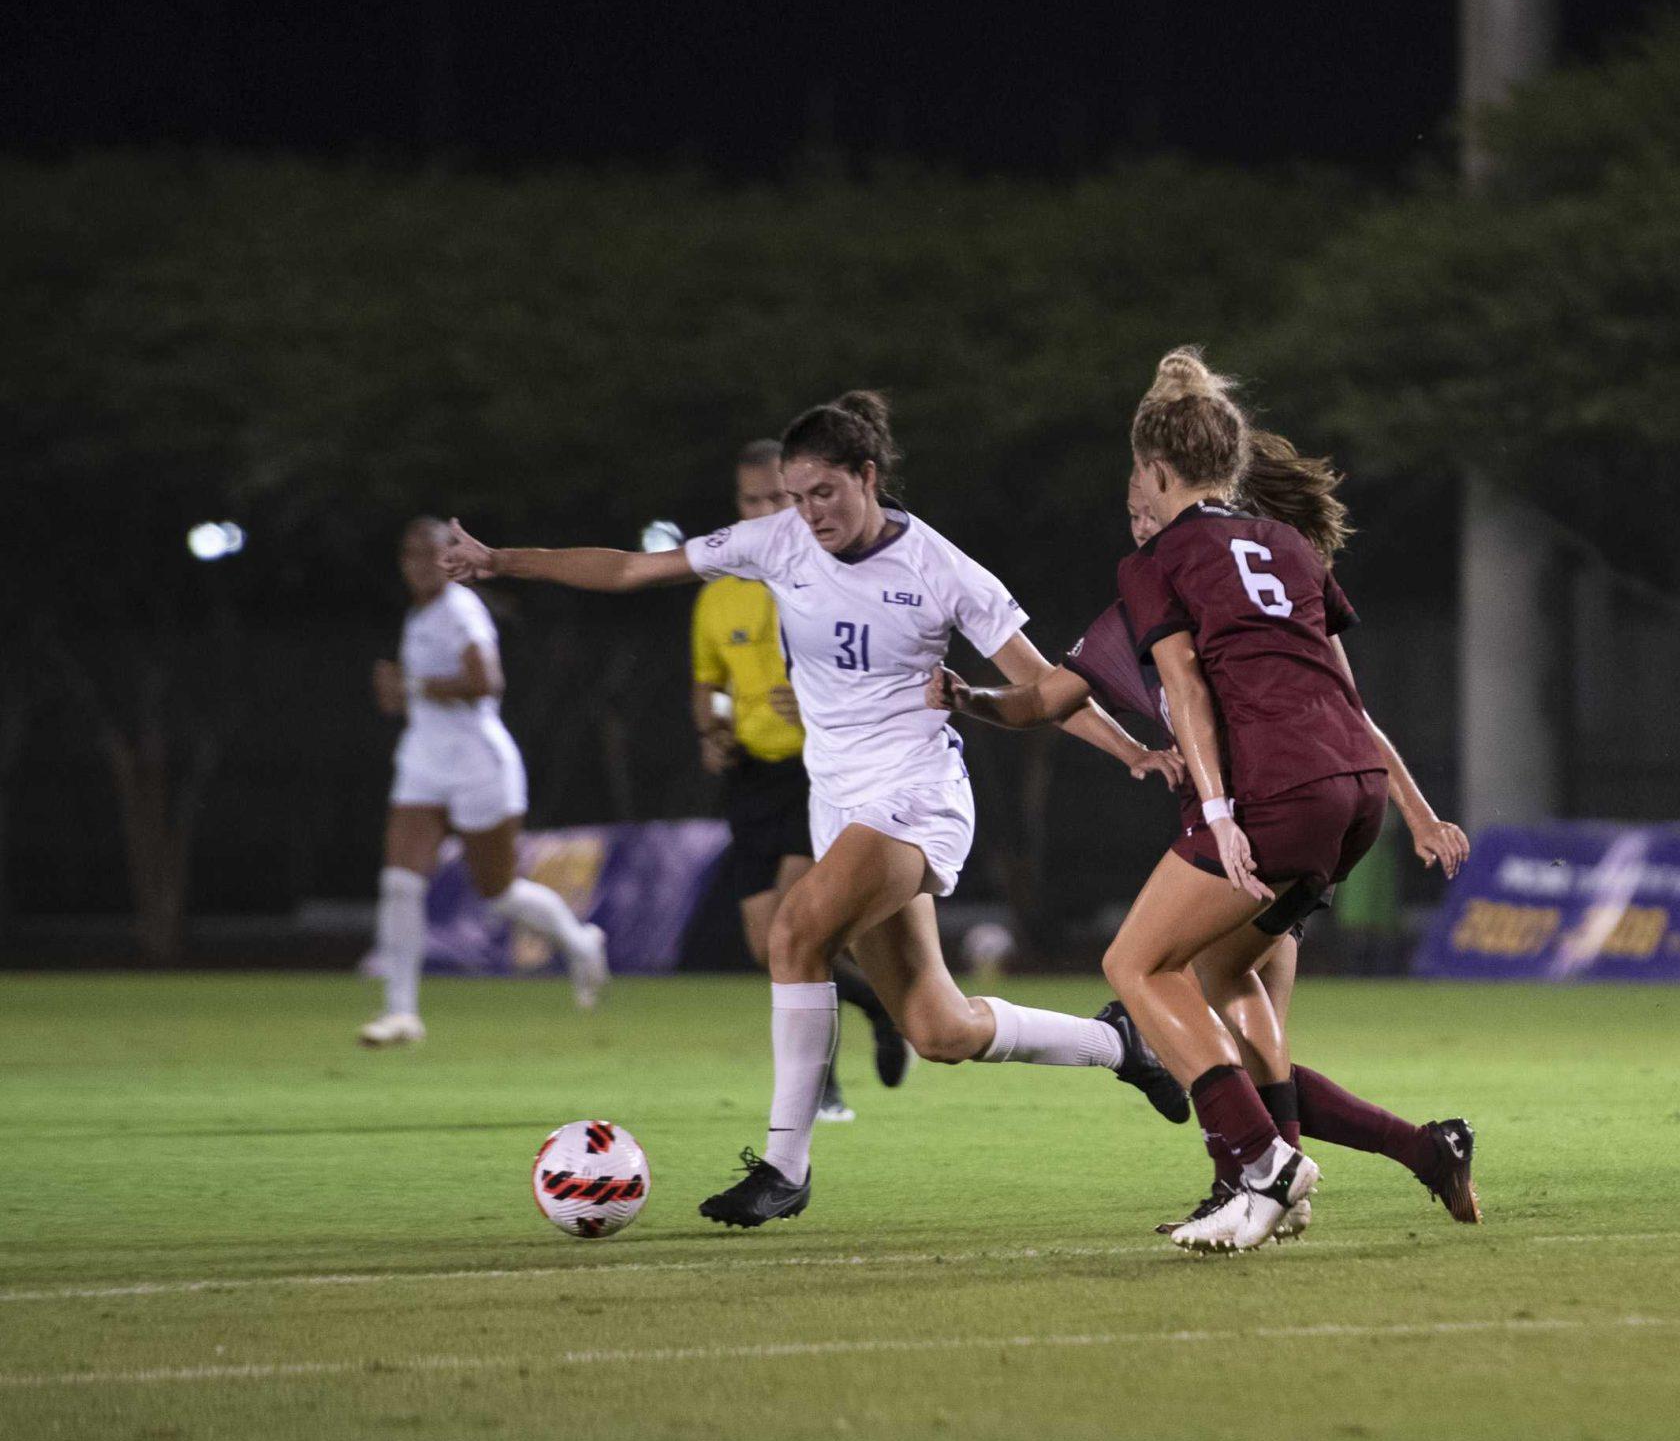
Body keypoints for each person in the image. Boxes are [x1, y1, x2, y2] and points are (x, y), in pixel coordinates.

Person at [439, 391, 1189, 1229]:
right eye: (795, 496)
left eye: (824, 492)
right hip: (836, 803)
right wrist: (501, 560)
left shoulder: (941, 569)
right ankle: (1122, 1044)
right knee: (938, 1029)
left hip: (916, 796)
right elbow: (628, 568)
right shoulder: (779, 543)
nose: (808, 513)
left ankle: (785, 1166)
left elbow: (1043, 681)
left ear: (868, 476)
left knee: (794, 934)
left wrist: (1133, 750)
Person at [934, 447, 1479, 1240]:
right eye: (1130, 512)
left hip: (1256, 817)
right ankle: (1399, 1155)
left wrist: (1420, 814)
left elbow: (1330, 706)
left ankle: (1268, 1173)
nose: (1139, 521)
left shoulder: (1209, 599)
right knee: (1233, 1012)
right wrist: (973, 697)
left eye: (1142, 504)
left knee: (1165, 986)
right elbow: (1046, 697)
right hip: (1289, 815)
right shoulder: (1162, 608)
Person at [1086, 348, 1432, 1253]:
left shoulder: (1156, 558)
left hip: (1279, 791)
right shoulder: (1288, 544)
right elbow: (1346, 693)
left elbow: (1188, 689)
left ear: (1157, 471)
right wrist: (1417, 806)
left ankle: (1263, 1161)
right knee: (1223, 973)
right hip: (1356, 792)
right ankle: (1270, 1179)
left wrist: (1223, 811)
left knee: (1135, 965)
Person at [692, 438, 909, 1119]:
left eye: (772, 500)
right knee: (768, 945)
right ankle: (877, 1003)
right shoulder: (717, 597)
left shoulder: (822, 578)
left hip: (816, 776)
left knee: (797, 932)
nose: (760, 513)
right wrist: (713, 730)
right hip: (752, 778)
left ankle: (822, 1085)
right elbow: (710, 685)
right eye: (748, 501)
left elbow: (881, 664)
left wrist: (814, 704)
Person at [361, 518, 608, 1046]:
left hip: (477, 762)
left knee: (495, 892)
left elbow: (486, 682)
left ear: (449, 558)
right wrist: (394, 693)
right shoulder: (418, 616)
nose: (417, 563)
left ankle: (578, 940)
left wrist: (410, 684)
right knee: (400, 883)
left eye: (428, 553)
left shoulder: (460, 608)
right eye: (408, 553)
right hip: (424, 759)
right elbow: (408, 698)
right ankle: (401, 1012)